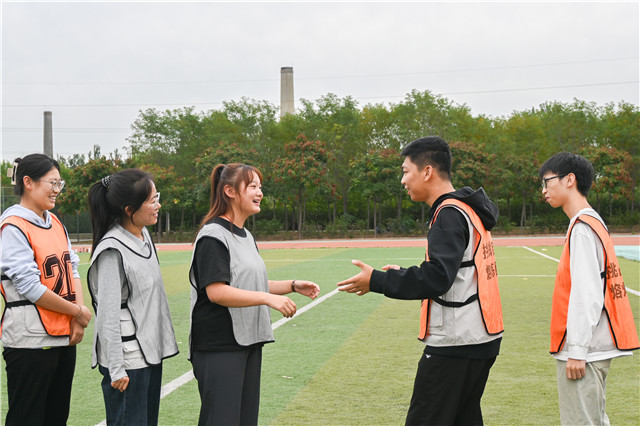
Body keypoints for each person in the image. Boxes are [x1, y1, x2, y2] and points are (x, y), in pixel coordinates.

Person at [337, 136, 503, 425]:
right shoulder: (466, 209)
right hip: (480, 337)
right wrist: (400, 272)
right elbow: (455, 270)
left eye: (405, 171)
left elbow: (438, 277)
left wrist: (377, 280)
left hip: (457, 342)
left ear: (427, 171)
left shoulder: (448, 214)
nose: (403, 180)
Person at [189, 163, 320, 426]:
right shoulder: (213, 236)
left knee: (245, 420)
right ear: (229, 191)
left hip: (248, 341)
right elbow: (216, 291)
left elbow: (250, 282)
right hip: (219, 344)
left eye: (260, 187)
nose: (259, 192)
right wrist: (268, 299)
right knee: (222, 421)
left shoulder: (246, 235)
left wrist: (293, 285)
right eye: (252, 186)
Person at [539, 152, 639, 425]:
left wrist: (577, 350)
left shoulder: (582, 228)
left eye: (547, 182)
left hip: (587, 349)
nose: (544, 190)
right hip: (597, 346)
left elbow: (586, 294)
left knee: (581, 421)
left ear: (569, 180)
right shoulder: (592, 221)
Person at [0, 153, 92, 426]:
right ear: (28, 182)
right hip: (29, 339)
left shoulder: (55, 223)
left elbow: (72, 268)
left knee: (56, 416)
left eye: (59, 184)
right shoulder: (13, 226)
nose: (56, 190)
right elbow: (29, 286)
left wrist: (77, 316)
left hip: (62, 334)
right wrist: (76, 311)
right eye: (51, 183)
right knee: (27, 417)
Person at [86, 169, 179, 426]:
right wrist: (116, 368)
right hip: (127, 363)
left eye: (157, 196)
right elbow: (106, 314)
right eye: (152, 200)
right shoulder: (111, 251)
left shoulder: (143, 235)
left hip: (148, 354)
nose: (158, 205)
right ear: (129, 209)